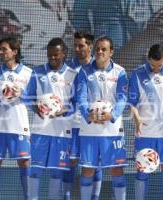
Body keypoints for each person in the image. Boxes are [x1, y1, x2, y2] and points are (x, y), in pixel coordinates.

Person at [128, 44, 163, 200]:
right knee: (142, 171)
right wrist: (136, 118)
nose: (156, 68)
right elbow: (131, 102)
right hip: (144, 132)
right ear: (148, 58)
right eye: (152, 65)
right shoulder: (137, 73)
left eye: (159, 65)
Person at [77, 36, 128, 200]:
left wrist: (112, 115)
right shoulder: (84, 71)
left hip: (112, 129)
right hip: (90, 128)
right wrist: (88, 115)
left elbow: (122, 98)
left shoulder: (120, 72)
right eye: (98, 48)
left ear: (111, 52)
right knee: (87, 170)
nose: (100, 52)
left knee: (116, 169)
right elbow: (81, 98)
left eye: (104, 49)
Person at [27, 37, 77, 200]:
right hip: (40, 130)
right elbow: (28, 97)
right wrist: (36, 108)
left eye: (56, 55)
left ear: (64, 54)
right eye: (49, 55)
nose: (52, 58)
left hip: (62, 132)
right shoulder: (37, 72)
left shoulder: (73, 74)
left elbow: (77, 104)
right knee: (35, 170)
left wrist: (64, 110)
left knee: (56, 172)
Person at [0, 37, 33, 200]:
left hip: (19, 126)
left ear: (14, 52)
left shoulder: (28, 73)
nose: (1, 52)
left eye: (4, 49)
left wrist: (20, 93)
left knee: (24, 162)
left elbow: (34, 100)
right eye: (0, 49)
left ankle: (28, 196)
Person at [62, 30, 103, 200]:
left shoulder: (99, 67)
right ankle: (67, 197)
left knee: (95, 163)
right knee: (70, 162)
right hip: (72, 124)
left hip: (94, 125)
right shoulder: (67, 68)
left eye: (81, 45)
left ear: (90, 46)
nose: (77, 49)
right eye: (75, 45)